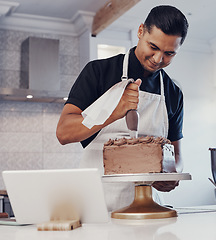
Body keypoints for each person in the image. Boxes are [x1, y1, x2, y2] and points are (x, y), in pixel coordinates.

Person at [56, 5, 189, 211]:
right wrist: (112, 111)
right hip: (97, 202)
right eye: (153, 47)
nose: (158, 59)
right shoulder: (98, 72)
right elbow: (64, 132)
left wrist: (171, 174)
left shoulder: (173, 93)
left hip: (148, 207)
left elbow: (176, 153)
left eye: (169, 53)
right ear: (140, 31)